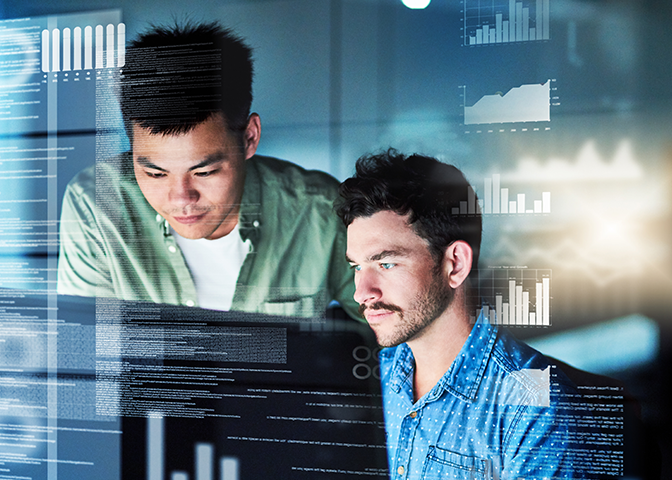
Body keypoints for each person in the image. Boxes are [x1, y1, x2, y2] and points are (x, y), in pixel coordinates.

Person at [57, 21, 359, 318]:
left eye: (204, 172)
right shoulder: (97, 203)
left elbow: (392, 340)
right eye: (155, 174)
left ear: (249, 137)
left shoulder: (318, 211)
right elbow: (87, 349)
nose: (181, 198)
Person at [336, 149, 587, 479]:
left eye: (386, 263)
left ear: (455, 264)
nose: (362, 292)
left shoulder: (535, 406)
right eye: (357, 266)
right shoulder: (370, 377)